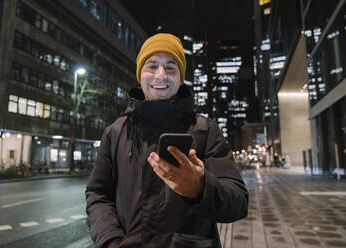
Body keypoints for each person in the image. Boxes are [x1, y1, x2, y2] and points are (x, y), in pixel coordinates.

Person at [85, 33, 248, 248]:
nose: (160, 75)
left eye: (171, 67)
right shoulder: (115, 132)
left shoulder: (205, 130)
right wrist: (111, 241)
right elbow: (98, 194)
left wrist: (199, 188)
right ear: (139, 74)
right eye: (151, 66)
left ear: (180, 77)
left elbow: (238, 202)